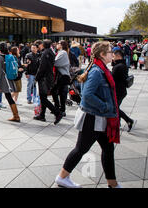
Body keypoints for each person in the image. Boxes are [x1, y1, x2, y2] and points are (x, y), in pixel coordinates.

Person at [55, 41, 121, 188]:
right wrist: (106, 106)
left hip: (99, 117)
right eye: (110, 52)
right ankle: (62, 177)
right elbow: (87, 95)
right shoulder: (97, 71)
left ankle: (113, 183)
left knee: (108, 149)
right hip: (93, 118)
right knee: (81, 149)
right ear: (102, 55)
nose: (113, 54)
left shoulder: (100, 68)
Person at [33, 39, 63, 124]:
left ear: (43, 45)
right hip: (48, 77)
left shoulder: (45, 53)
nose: (39, 45)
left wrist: (36, 77)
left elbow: (42, 67)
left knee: (43, 98)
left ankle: (57, 113)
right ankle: (42, 115)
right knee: (43, 97)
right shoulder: (50, 52)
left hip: (44, 78)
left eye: (41, 44)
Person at [111, 49, 136, 131]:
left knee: (115, 108)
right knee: (116, 107)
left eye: (113, 56)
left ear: (118, 56)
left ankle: (129, 120)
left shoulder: (119, 66)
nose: (112, 58)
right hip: (121, 91)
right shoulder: (122, 64)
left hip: (119, 91)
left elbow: (112, 78)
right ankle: (119, 122)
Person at [51, 40, 71, 117]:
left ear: (61, 45)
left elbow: (56, 63)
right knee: (59, 92)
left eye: (58, 43)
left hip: (63, 76)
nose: (56, 44)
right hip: (62, 75)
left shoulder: (63, 53)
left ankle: (61, 109)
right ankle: (59, 108)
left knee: (59, 92)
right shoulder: (62, 52)